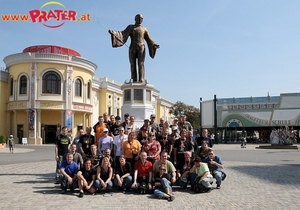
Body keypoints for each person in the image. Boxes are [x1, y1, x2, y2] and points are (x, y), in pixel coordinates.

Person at [108, 14, 159, 83]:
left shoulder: (144, 29)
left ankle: (141, 79)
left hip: (141, 47)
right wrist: (114, 33)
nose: (140, 20)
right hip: (132, 47)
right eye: (138, 18)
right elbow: (122, 34)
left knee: (141, 63)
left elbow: (149, 39)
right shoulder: (131, 27)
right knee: (132, 63)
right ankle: (134, 79)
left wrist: (154, 44)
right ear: (135, 19)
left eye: (141, 18)